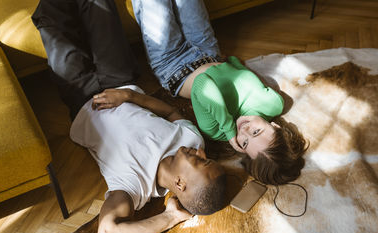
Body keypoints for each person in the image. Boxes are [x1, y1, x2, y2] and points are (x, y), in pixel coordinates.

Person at [32, 0, 226, 233]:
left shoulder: (133, 188)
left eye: (201, 162)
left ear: (180, 184)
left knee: (51, 18)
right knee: (99, 5)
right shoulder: (193, 142)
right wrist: (129, 97)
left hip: (81, 97)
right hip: (121, 81)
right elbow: (170, 111)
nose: (202, 153)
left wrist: (171, 218)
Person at [131, 0, 308, 185]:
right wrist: (232, 63)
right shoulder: (273, 103)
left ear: (241, 150)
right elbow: (244, 75)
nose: (245, 131)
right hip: (207, 50)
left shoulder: (217, 129)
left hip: (173, 64)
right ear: (277, 127)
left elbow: (202, 83)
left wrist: (229, 130)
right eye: (256, 131)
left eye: (245, 142)